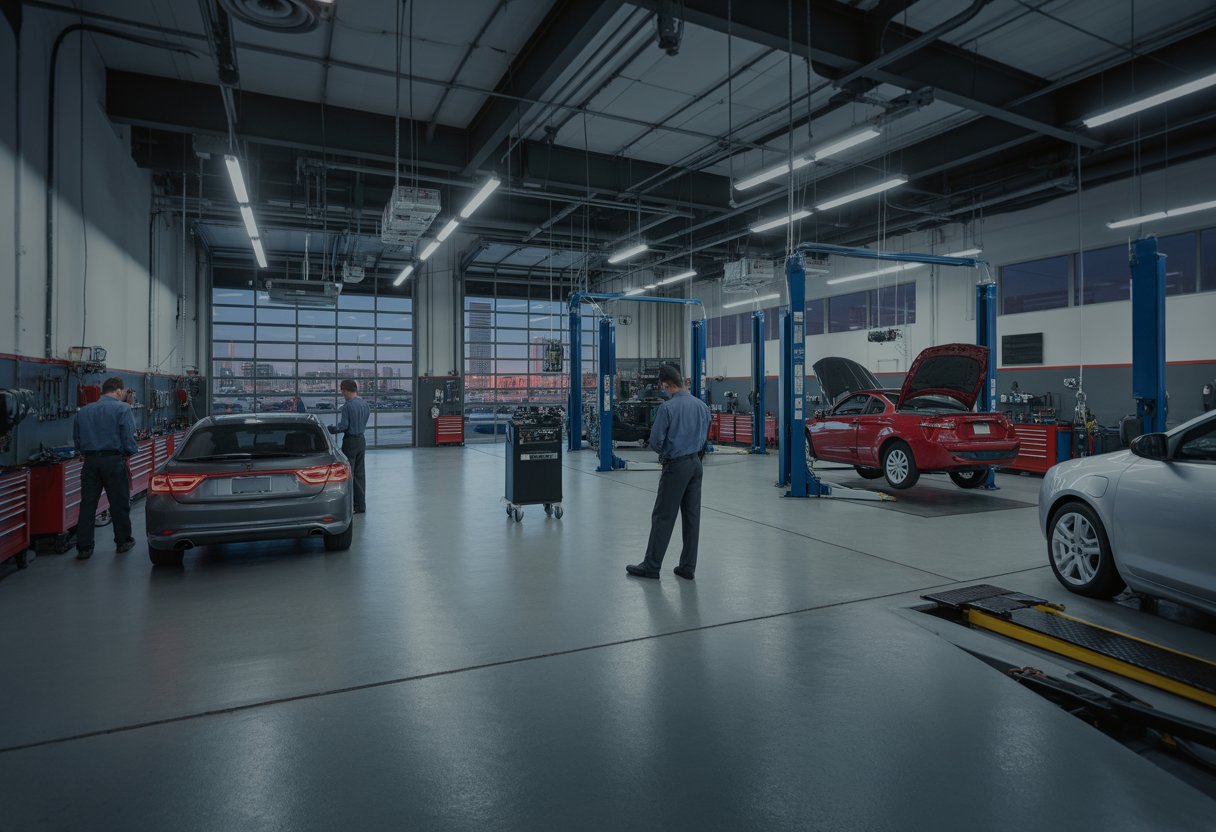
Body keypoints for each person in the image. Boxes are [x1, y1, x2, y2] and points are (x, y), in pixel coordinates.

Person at [627, 364, 711, 581]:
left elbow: (655, 441)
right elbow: (704, 439)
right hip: (696, 465)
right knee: (692, 516)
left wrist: (668, 453)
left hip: (676, 466)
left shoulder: (668, 408)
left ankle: (651, 566)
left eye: (663, 388)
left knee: (663, 516)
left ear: (666, 385)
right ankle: (687, 567)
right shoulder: (702, 406)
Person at [73, 376, 137, 560]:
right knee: (119, 503)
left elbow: (77, 441)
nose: (124, 395)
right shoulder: (123, 409)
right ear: (118, 391)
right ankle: (123, 542)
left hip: (90, 463)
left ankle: (84, 547)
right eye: (123, 392)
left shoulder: (83, 411)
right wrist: (130, 452)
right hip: (113, 461)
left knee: (87, 505)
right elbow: (128, 438)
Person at [328, 379, 369, 513]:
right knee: (360, 474)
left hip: (350, 442)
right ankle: (361, 505)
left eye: (342, 391)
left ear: (346, 390)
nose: (342, 394)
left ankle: (350, 505)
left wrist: (332, 429)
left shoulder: (347, 406)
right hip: (361, 441)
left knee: (348, 474)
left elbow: (344, 426)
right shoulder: (364, 404)